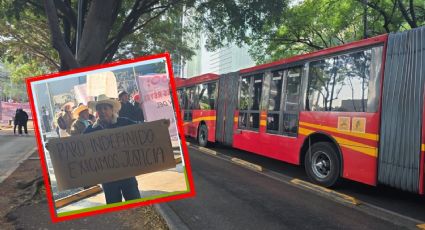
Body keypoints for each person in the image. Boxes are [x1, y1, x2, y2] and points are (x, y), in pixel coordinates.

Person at [84, 94, 141, 204]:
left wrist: (160, 127)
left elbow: (141, 128)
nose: (102, 111)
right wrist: (54, 148)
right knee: (114, 208)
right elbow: (76, 144)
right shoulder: (91, 130)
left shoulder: (124, 122)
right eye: (99, 109)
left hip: (127, 175)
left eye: (105, 108)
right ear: (96, 112)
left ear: (111, 110)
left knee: (136, 205)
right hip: (108, 179)